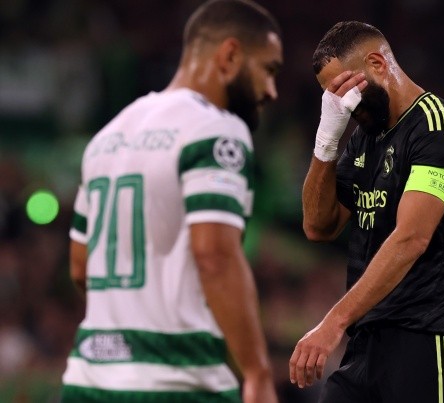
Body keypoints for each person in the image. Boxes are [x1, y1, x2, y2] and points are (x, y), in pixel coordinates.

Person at [61, 1, 282, 402]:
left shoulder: (107, 137)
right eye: (268, 70)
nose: (271, 90)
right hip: (178, 379)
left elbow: (80, 266)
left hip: (89, 378)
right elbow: (214, 255)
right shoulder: (215, 130)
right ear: (230, 55)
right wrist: (256, 372)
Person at [289, 21, 444, 402]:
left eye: (345, 89)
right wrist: (327, 139)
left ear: (378, 64)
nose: (343, 104)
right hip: (366, 347)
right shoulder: (365, 138)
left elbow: (412, 237)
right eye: (332, 97)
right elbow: (318, 225)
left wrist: (333, 323)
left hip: (431, 343)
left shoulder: (437, 125)